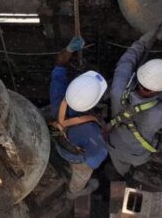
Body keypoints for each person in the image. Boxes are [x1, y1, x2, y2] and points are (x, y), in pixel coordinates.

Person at [106, 26, 162, 176]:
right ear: (159, 89)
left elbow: (126, 62)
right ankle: (131, 172)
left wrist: (144, 41)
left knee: (121, 167)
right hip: (139, 156)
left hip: (113, 145)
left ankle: (122, 174)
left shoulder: (118, 90)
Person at [49, 36, 109, 199]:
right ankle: (74, 192)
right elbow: (93, 160)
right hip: (76, 156)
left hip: (59, 139)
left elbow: (59, 64)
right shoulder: (92, 133)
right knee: (81, 175)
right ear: (93, 104)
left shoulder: (59, 96)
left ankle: (59, 158)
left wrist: (69, 49)